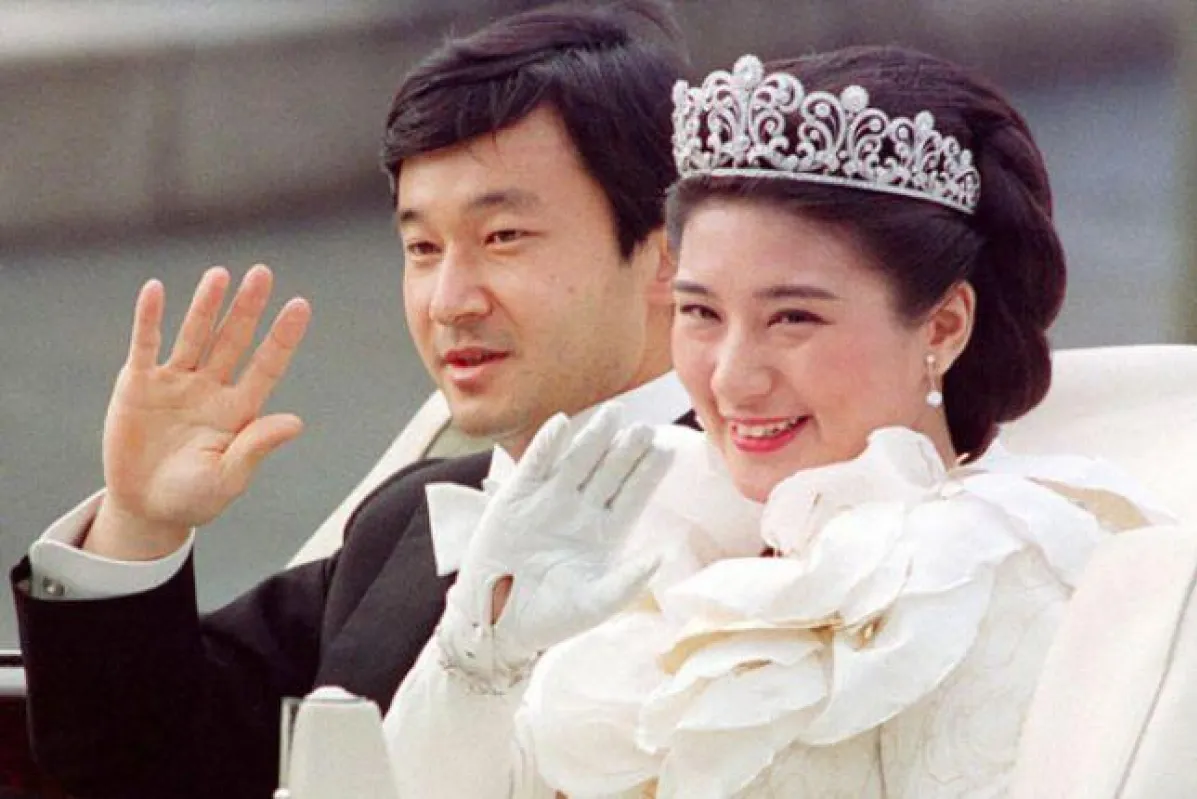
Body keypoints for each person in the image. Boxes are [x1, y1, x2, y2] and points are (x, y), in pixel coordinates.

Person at [380, 46, 1175, 797]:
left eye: (793, 317)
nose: (732, 377)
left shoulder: (987, 580)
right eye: (700, 312)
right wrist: (483, 656)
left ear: (942, 326)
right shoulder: (661, 534)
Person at [8, 3, 691, 798]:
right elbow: (142, 767)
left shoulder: (780, 524)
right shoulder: (404, 522)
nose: (449, 301)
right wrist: (139, 522)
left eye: (503, 237)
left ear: (667, 254)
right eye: (422, 247)